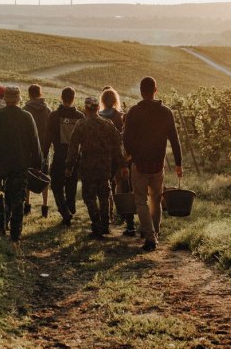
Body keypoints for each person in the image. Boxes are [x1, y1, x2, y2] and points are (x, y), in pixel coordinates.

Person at [0, 86, 43, 242]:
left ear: (5, 99)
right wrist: (38, 164)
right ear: (19, 99)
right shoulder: (27, 117)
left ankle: (0, 227)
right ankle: (15, 234)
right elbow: (35, 142)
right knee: (17, 199)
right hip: (20, 164)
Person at [122, 76, 183, 251]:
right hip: (158, 165)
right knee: (156, 200)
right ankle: (154, 232)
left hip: (139, 165)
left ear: (141, 92)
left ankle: (150, 237)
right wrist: (178, 164)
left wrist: (132, 154)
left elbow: (126, 139)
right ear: (155, 90)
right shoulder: (166, 112)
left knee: (141, 201)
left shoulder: (134, 112)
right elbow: (175, 140)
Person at [67, 96, 126, 238]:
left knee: (89, 197)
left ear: (86, 109)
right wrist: (122, 164)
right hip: (105, 166)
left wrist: (69, 166)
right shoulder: (108, 124)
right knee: (104, 196)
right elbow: (117, 146)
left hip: (87, 166)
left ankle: (96, 225)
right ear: (98, 108)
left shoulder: (81, 125)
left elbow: (73, 148)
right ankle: (105, 226)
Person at [100, 86, 136, 236]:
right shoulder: (121, 116)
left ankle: (107, 219)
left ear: (102, 100)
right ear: (115, 100)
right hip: (120, 157)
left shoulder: (98, 117)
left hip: (103, 157)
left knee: (104, 189)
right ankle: (129, 223)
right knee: (125, 189)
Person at [46, 87, 84, 225]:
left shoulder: (53, 116)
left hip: (59, 155)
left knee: (56, 185)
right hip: (75, 157)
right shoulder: (80, 117)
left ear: (62, 97)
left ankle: (65, 211)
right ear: (73, 98)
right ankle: (70, 208)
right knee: (71, 184)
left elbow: (47, 139)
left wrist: (44, 156)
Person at [23, 84, 52, 218]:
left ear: (29, 94)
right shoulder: (48, 110)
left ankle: (27, 206)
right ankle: (45, 207)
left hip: (28, 149)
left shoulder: (25, 111)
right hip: (44, 148)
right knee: (44, 177)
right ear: (40, 94)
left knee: (28, 176)